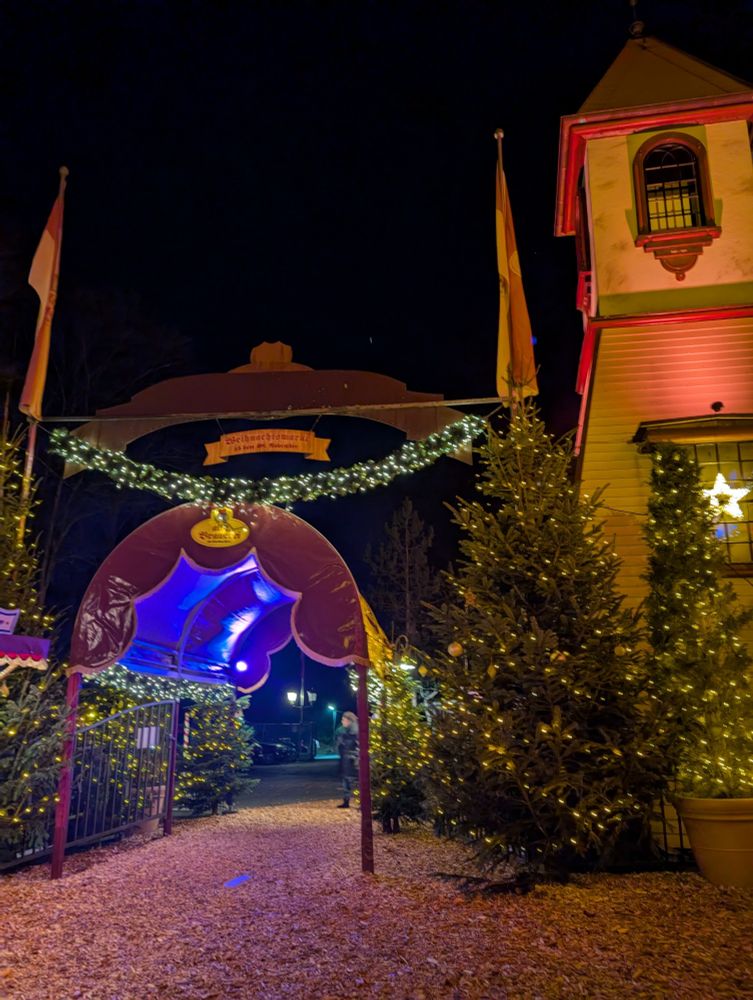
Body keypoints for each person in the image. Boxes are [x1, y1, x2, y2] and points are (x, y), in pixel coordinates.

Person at [335, 710, 359, 808]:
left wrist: (353, 756)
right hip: (346, 760)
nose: (342, 721)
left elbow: (358, 747)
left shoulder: (354, 733)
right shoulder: (344, 732)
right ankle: (346, 801)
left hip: (352, 760)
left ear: (349, 720)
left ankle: (357, 801)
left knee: (355, 781)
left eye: (343, 719)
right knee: (346, 780)